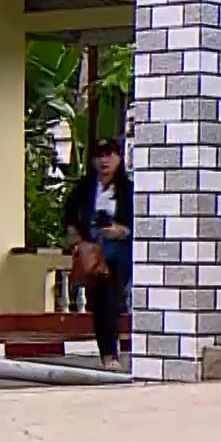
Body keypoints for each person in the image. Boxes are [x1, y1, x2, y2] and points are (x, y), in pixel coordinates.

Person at [64, 139, 133, 370]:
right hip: (93, 254)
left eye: (109, 155)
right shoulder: (84, 189)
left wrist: (121, 231)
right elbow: (69, 216)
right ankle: (108, 354)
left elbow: (141, 222)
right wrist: (77, 240)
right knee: (101, 303)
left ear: (119, 158)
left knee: (111, 301)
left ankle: (112, 353)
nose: (104, 161)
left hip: (118, 254)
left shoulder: (128, 189)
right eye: (99, 155)